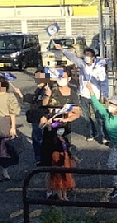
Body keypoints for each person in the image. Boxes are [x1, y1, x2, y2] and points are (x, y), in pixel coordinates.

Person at [87, 82, 117, 198]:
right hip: (115, 144)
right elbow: (97, 106)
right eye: (110, 103)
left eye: (113, 104)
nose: (110, 106)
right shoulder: (107, 114)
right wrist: (91, 92)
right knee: (111, 164)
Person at [38, 69, 81, 199]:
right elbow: (44, 107)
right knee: (50, 162)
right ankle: (50, 189)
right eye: (58, 76)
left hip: (64, 130)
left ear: (68, 79)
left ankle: (65, 189)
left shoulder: (73, 94)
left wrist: (67, 119)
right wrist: (47, 95)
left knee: (63, 160)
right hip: (51, 130)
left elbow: (77, 112)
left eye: (63, 76)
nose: (60, 78)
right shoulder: (52, 91)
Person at [55, 43, 109, 144]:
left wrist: (104, 95)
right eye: (85, 55)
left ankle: (105, 136)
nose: (86, 57)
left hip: (95, 96)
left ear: (93, 57)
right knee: (86, 117)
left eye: (89, 55)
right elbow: (72, 57)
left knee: (99, 117)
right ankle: (92, 133)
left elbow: (104, 82)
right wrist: (62, 49)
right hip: (84, 95)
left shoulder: (98, 67)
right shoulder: (82, 64)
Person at [14, 82, 49, 166]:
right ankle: (39, 159)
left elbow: (46, 105)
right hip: (36, 117)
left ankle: (45, 158)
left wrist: (45, 116)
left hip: (44, 118)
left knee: (43, 139)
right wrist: (19, 93)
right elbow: (32, 99)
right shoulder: (38, 90)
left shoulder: (47, 90)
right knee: (37, 139)